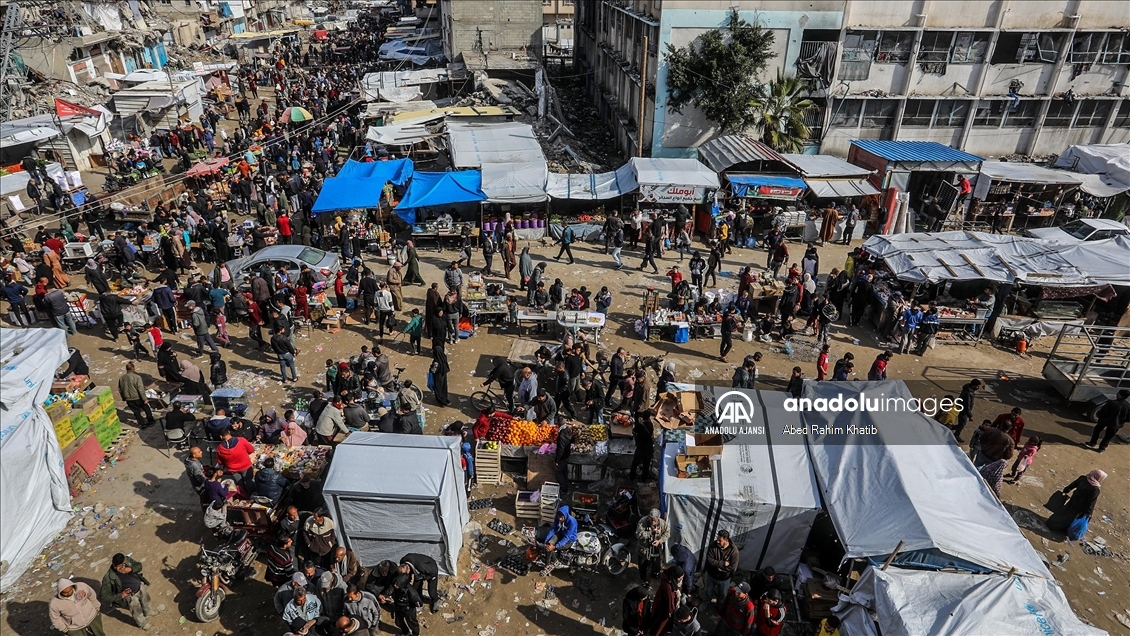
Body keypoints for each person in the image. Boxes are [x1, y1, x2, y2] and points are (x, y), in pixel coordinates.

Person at [100, 553, 155, 629]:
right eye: (119, 566)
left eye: (123, 564)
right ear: (114, 565)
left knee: (146, 600)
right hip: (130, 596)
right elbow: (104, 596)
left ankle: (148, 612)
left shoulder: (127, 561)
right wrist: (121, 595)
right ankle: (143, 624)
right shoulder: (108, 578)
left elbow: (139, 566)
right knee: (136, 610)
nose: (122, 567)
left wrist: (131, 569)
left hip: (140, 586)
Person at [1086, 389, 1130, 453]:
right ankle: (1102, 448)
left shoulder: (1111, 403)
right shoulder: (1128, 406)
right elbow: (1128, 418)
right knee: (1108, 437)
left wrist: (1100, 416)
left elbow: (1102, 412)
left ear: (1120, 395)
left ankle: (1092, 443)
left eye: (1118, 393)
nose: (1116, 394)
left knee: (1096, 431)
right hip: (1116, 424)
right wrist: (1121, 421)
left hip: (1104, 421)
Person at [703, 530, 739, 607]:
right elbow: (709, 560)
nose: (718, 542)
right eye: (717, 539)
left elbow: (733, 568)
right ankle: (706, 603)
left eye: (720, 540)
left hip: (724, 579)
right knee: (708, 592)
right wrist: (723, 563)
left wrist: (720, 569)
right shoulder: (713, 545)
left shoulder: (734, 551)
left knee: (722, 595)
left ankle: (720, 607)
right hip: (711, 576)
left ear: (726, 540)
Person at [117, 362, 155, 429]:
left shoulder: (121, 378)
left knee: (136, 412)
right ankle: (150, 421)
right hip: (137, 397)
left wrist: (124, 397)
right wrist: (144, 399)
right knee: (146, 409)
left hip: (128, 399)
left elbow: (120, 389)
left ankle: (142, 424)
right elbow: (140, 389)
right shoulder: (137, 377)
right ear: (133, 368)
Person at [635, 509, 670, 582]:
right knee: (642, 566)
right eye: (651, 520)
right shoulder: (642, 522)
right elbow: (638, 535)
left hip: (656, 548)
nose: (653, 522)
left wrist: (659, 541)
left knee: (656, 564)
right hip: (644, 549)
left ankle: (655, 574)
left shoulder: (662, 523)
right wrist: (651, 532)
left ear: (658, 518)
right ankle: (644, 579)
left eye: (655, 520)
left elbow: (667, 534)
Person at [649, 565, 684, 636]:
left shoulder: (669, 579)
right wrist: (672, 612)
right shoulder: (668, 587)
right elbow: (670, 604)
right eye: (680, 577)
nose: (681, 579)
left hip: (662, 604)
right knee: (660, 625)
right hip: (663, 609)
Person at [631, 409, 654, 482]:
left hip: (641, 447)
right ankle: (644, 478)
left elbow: (633, 432)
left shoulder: (639, 425)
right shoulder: (650, 425)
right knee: (646, 464)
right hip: (649, 448)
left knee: (635, 463)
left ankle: (632, 476)